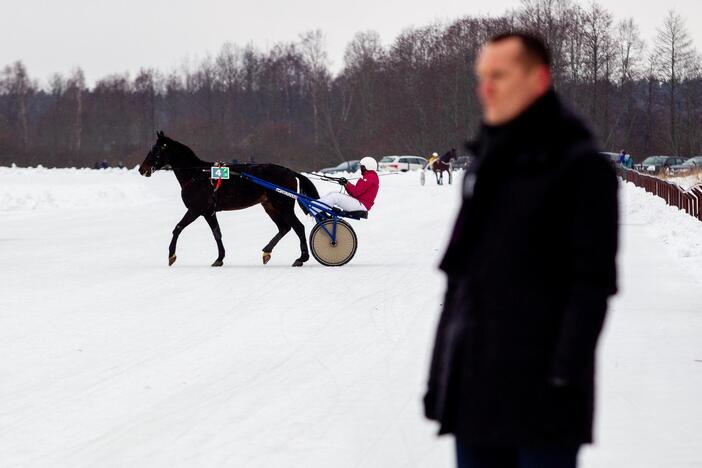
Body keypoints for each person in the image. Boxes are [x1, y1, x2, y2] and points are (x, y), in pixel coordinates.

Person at [424, 32, 619, 468]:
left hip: (542, 403)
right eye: (482, 77)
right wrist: (442, 377)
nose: (486, 88)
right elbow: (459, 280)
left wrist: (561, 378)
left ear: (538, 79)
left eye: (499, 75)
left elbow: (591, 288)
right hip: (475, 393)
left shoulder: (581, 167)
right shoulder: (485, 164)